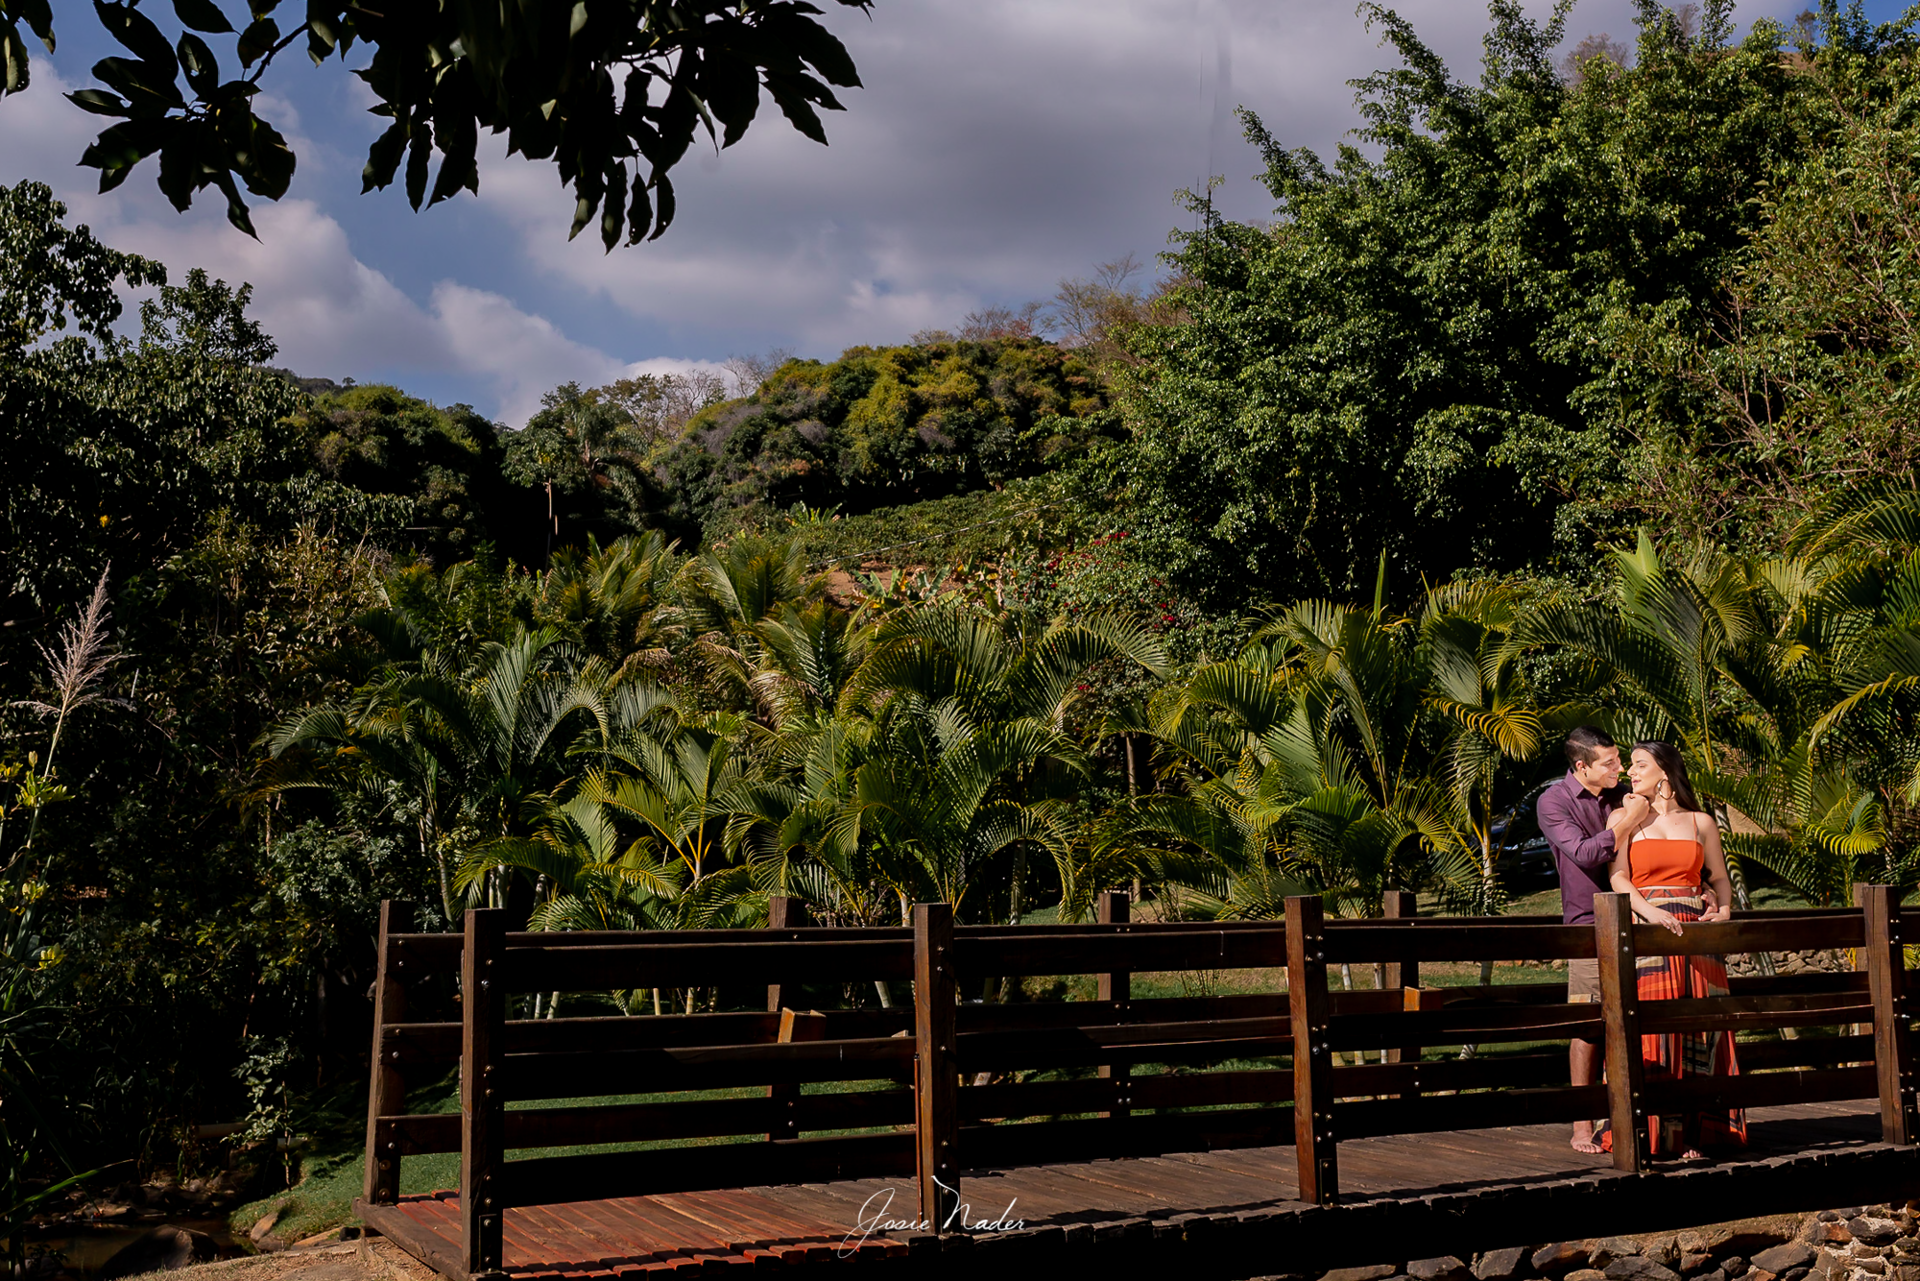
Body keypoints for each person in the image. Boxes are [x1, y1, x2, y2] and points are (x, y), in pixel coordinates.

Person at [1602, 740, 1746, 1159]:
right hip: (1648, 930)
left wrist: (1722, 913)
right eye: (1629, 765)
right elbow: (1618, 878)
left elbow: (1719, 878)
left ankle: (1699, 1134)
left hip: (1697, 934)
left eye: (1638, 764)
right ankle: (1652, 1135)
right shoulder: (1624, 816)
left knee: (1702, 1027)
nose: (1630, 771)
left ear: (1664, 772)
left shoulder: (1700, 821)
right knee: (1652, 1029)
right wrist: (1647, 912)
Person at [1535, 726, 1650, 1154]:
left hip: (1642, 917)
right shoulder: (1554, 802)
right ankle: (1582, 1121)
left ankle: (1634, 1114)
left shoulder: (1626, 794)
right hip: (1589, 924)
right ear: (1581, 766)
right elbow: (1583, 853)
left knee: (1640, 1020)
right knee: (1588, 1026)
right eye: (1610, 762)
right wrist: (1631, 821)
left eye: (1620, 760)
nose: (1619, 768)